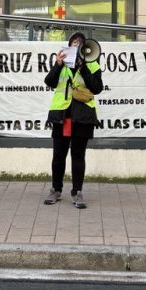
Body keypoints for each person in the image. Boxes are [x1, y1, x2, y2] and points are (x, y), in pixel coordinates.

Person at [43, 31, 103, 209]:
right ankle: (56, 189)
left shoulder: (92, 65)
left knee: (78, 155)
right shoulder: (61, 63)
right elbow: (50, 82)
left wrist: (83, 67)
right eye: (73, 42)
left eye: (80, 43)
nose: (76, 45)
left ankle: (77, 192)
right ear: (69, 45)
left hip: (82, 117)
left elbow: (97, 87)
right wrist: (58, 64)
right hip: (62, 116)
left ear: (85, 48)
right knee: (58, 155)